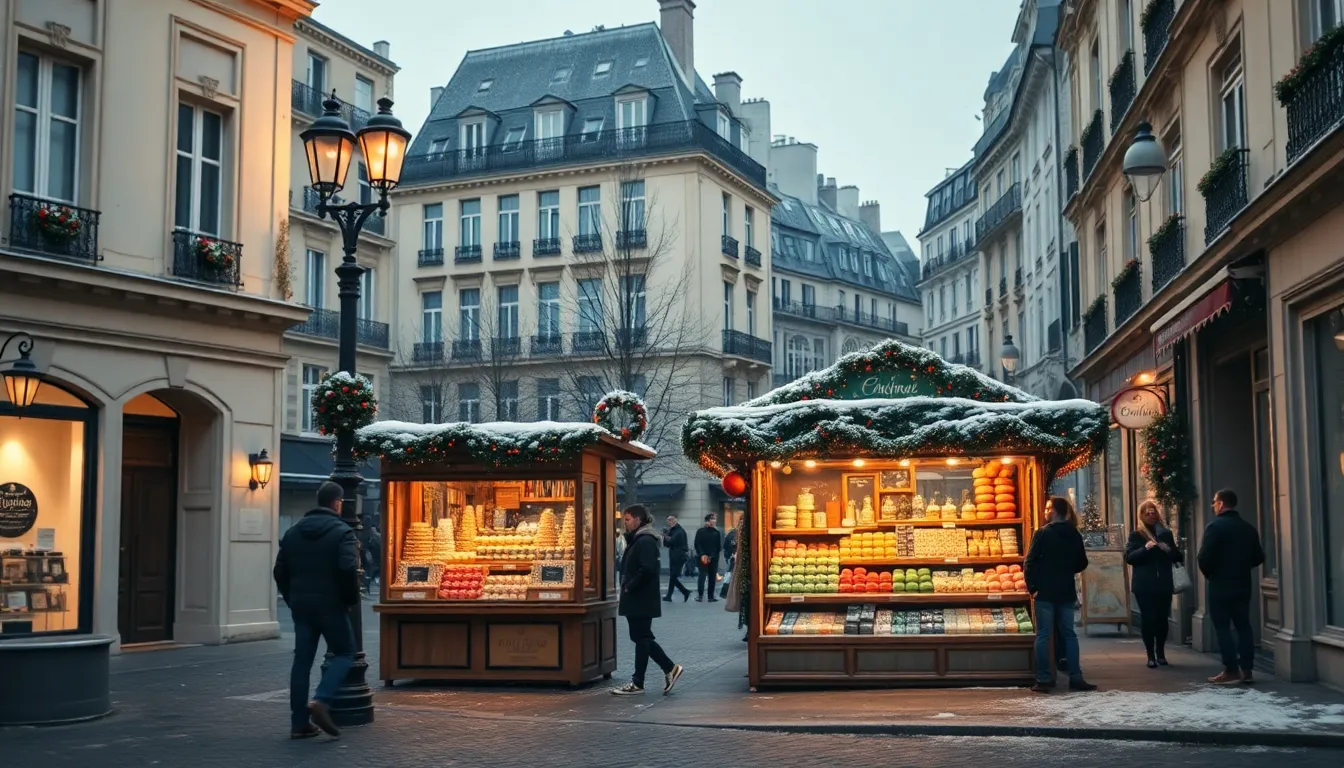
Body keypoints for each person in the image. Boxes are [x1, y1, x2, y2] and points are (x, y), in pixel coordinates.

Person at [273, 481, 360, 739]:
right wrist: (349, 600)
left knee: (302, 662)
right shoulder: (342, 532)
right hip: (331, 604)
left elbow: (280, 571)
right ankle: (322, 700)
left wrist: (292, 598)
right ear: (337, 503)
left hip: (302, 606)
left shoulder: (293, 532)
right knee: (345, 652)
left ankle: (299, 723)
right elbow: (347, 570)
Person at [1024, 496, 1096, 693]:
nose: (1045, 511)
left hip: (1045, 592)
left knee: (1044, 635)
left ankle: (1044, 678)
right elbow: (1082, 563)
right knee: (1069, 634)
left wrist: (1033, 588)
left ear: (1054, 511)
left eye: (1048, 508)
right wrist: (1066, 568)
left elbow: (1029, 562)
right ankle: (1076, 677)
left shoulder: (1042, 534)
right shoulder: (1074, 534)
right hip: (1066, 591)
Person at [612, 504, 684, 696]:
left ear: (638, 519)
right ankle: (640, 681)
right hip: (640, 598)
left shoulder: (645, 541)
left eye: (627, 520)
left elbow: (647, 569)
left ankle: (668, 668)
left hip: (639, 598)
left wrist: (629, 586)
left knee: (642, 637)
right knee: (641, 638)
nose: (625, 524)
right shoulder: (640, 539)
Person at [1197, 489, 1265, 684]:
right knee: (1243, 626)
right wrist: (1242, 567)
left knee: (1222, 627)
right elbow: (1258, 557)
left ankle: (1231, 669)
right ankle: (1247, 669)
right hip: (1243, 584)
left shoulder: (1215, 527)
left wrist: (1211, 573)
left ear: (1220, 504)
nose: (1213, 506)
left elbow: (1204, 557)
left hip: (1220, 584)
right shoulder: (1248, 528)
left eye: (1214, 503)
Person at [1125, 500, 1183, 668]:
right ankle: (1150, 655)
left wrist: (1169, 550)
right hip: (1144, 585)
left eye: (1153, 512)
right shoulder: (1136, 535)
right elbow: (1130, 558)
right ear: (1142, 516)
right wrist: (1146, 548)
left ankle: (1161, 653)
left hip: (1163, 583)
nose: (1151, 515)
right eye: (1147, 513)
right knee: (1148, 619)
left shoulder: (1165, 533)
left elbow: (1179, 557)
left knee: (1162, 619)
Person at [694, 513, 723, 602]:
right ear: (707, 521)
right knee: (702, 576)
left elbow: (718, 547)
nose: (714, 520)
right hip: (703, 557)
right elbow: (697, 544)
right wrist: (703, 554)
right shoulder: (700, 531)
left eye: (715, 519)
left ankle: (710, 596)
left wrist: (711, 555)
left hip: (713, 557)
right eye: (712, 519)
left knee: (712, 577)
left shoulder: (717, 532)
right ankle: (700, 595)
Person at [661, 515, 691, 602]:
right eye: (668, 520)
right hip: (674, 555)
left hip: (679, 555)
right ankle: (678, 593)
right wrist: (666, 536)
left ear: (675, 520)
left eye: (671, 520)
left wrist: (666, 535)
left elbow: (671, 541)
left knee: (673, 576)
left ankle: (682, 592)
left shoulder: (679, 531)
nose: (670, 522)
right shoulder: (673, 530)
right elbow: (667, 544)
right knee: (673, 576)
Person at [720, 525, 739, 600]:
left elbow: (726, 546)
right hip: (734, 558)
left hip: (732, 557)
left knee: (730, 575)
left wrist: (727, 556)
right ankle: (725, 592)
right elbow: (727, 546)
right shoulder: (734, 534)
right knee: (730, 575)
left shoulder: (732, 533)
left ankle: (725, 592)